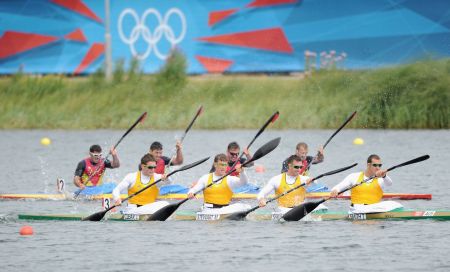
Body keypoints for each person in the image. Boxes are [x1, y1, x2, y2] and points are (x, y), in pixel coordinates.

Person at [330, 154, 402, 214]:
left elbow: (389, 183)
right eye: (375, 165)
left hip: (374, 209)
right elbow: (338, 186)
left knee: (394, 203)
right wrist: (335, 190)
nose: (378, 168)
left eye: (379, 165)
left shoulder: (381, 178)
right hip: (357, 209)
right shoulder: (354, 176)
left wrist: (384, 176)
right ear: (368, 165)